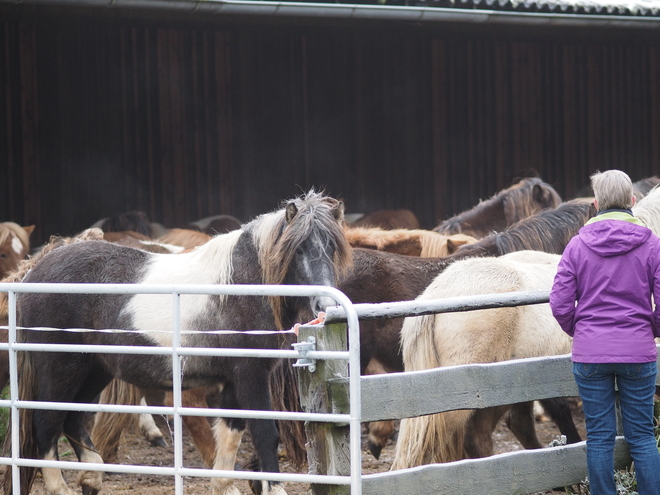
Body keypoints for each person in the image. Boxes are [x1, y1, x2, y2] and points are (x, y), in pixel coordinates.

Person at [550, 169, 660, 495]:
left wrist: (581, 330)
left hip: (590, 353)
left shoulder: (576, 245)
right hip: (638, 352)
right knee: (641, 435)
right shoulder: (652, 243)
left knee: (599, 437)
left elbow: (559, 302)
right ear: (633, 201)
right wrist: (649, 329)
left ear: (595, 204)